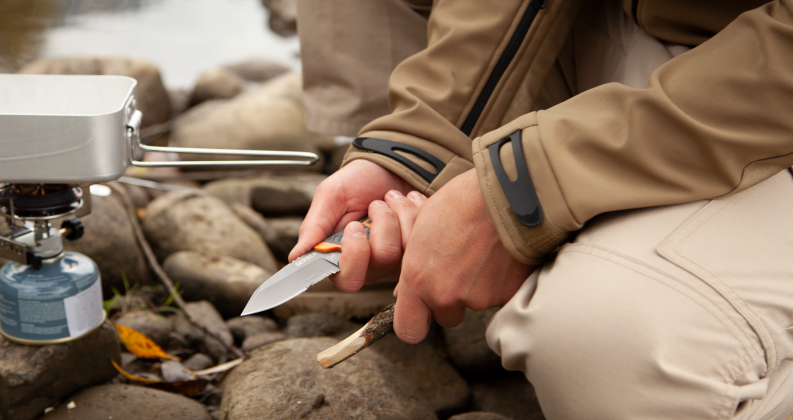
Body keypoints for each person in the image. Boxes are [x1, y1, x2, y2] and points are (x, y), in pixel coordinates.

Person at [291, 0, 793, 418]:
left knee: (603, 344)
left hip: (765, 100)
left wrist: (524, 189)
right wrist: (418, 147)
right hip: (662, 35)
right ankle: (430, 265)